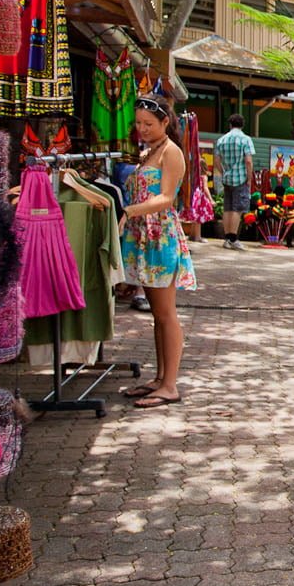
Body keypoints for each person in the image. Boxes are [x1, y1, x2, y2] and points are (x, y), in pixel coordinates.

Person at [119, 95, 195, 408]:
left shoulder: (172, 152)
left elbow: (166, 198)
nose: (142, 129)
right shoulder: (150, 152)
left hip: (160, 238)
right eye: (138, 124)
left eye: (148, 124)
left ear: (165, 122)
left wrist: (130, 210)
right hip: (145, 237)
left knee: (166, 314)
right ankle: (160, 378)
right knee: (157, 315)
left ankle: (170, 385)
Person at [214, 114, 256, 250]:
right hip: (241, 178)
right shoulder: (246, 140)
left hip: (227, 178)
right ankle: (233, 238)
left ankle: (227, 238)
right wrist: (249, 178)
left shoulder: (221, 140)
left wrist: (223, 172)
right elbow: (248, 161)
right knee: (237, 209)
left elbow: (216, 161)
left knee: (228, 208)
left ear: (230, 125)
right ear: (242, 125)